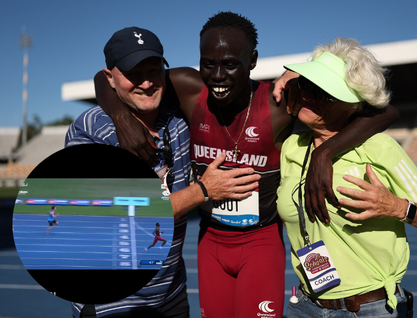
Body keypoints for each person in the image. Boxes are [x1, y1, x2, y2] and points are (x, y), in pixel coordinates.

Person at [95, 12, 400, 318]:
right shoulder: (189, 90)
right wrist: (121, 119)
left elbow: (385, 111)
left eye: (230, 64)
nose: (217, 75)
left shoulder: (279, 102)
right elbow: (104, 77)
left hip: (260, 243)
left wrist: (325, 153)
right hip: (210, 242)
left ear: (252, 60)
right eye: (208, 63)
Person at [65, 26, 260, 318]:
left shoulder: (176, 119)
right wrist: (203, 191)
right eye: (133, 74)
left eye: (153, 71)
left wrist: (293, 80)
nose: (146, 82)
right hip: (112, 302)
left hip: (170, 295)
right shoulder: (90, 129)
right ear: (110, 78)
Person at [276, 37, 417, 317]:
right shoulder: (291, 147)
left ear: (352, 105)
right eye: (308, 86)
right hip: (306, 306)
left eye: (323, 92)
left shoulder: (381, 148)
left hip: (369, 309)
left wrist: (396, 207)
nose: (308, 96)